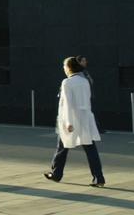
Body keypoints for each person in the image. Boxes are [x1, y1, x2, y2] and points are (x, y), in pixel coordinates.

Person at [44, 56, 106, 187]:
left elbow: (67, 104)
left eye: (64, 66)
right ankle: (98, 177)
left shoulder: (67, 82)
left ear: (69, 67)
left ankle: (56, 174)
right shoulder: (85, 81)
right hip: (85, 118)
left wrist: (68, 122)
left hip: (71, 119)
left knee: (62, 147)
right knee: (90, 149)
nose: (63, 68)